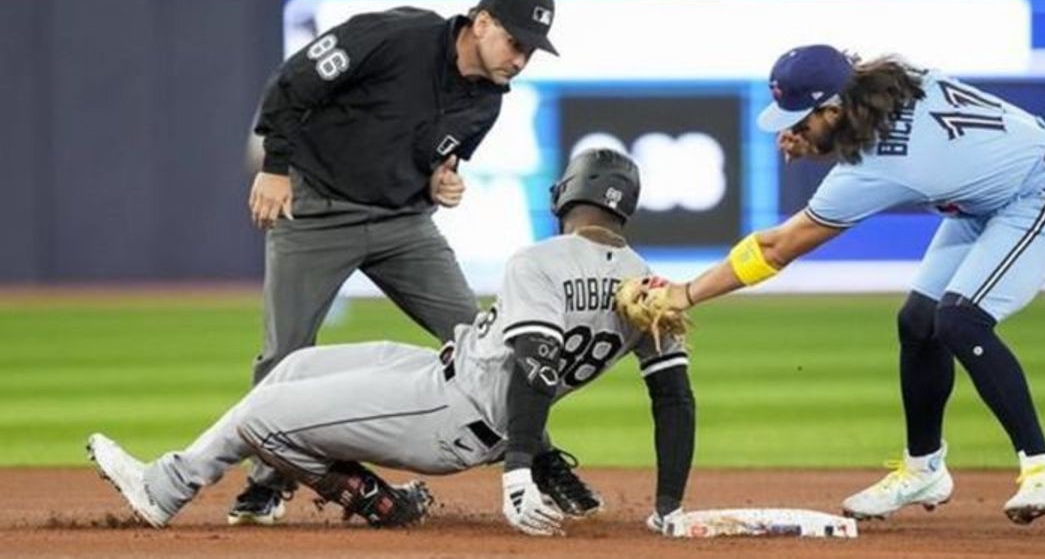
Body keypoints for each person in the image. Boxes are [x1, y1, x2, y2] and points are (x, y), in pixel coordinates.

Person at [87, 148, 697, 536]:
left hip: (455, 415)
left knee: (263, 418)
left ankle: (172, 489)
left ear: (565, 194)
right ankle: (359, 499)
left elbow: (535, 368)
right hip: (445, 379)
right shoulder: (651, 286)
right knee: (293, 369)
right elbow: (674, 401)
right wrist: (668, 502)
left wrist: (517, 474)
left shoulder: (538, 259)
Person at [645, 44, 1045, 525]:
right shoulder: (894, 81)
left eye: (800, 121)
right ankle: (924, 468)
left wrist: (685, 293)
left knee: (961, 321)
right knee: (920, 322)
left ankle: (1042, 468)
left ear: (835, 108)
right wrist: (818, 139)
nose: (790, 133)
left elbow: (778, 248)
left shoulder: (881, 165)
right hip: (988, 197)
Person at [235, 0, 602, 524]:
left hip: (403, 224)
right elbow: (293, 82)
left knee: (494, 341)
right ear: (481, 23)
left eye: (531, 49)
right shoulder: (394, 36)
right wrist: (276, 167)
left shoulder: (488, 102)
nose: (521, 59)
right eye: (515, 42)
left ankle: (541, 460)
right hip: (318, 213)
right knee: (285, 356)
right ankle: (269, 482)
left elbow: (437, 158)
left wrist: (439, 180)